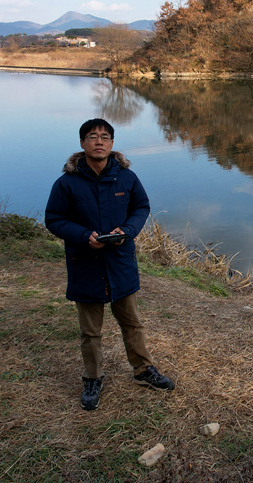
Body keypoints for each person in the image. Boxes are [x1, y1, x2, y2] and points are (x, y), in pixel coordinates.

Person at [45, 118, 175, 411]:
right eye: (92, 137)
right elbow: (53, 219)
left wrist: (126, 231)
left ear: (112, 143)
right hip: (85, 263)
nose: (99, 141)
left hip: (120, 261)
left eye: (105, 137)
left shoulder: (126, 178)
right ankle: (92, 378)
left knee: (132, 322)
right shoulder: (66, 183)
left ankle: (143, 370)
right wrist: (83, 236)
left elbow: (141, 207)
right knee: (90, 331)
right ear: (82, 143)